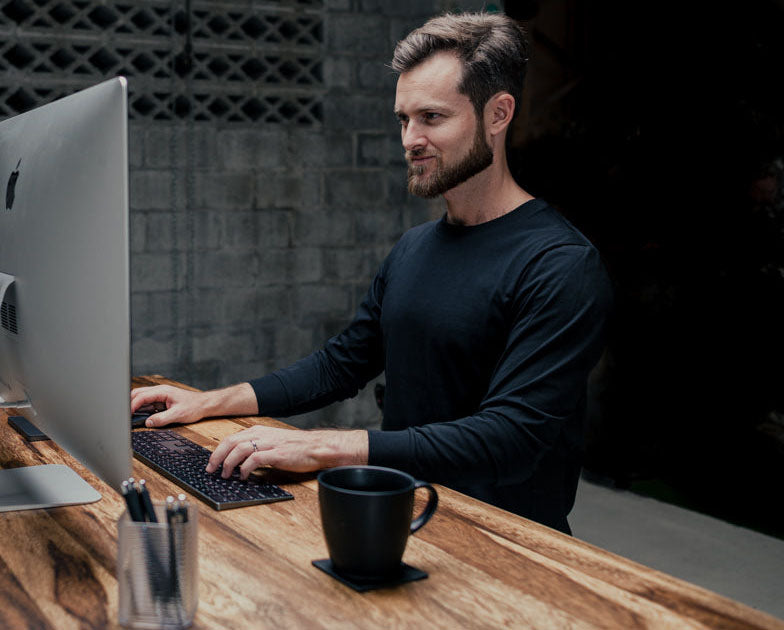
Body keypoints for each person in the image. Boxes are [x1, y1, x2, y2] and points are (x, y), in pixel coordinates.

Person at [131, 12, 612, 533]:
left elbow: (510, 437)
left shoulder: (560, 264)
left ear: (498, 114)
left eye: (431, 117)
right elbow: (342, 364)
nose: (410, 139)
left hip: (511, 546)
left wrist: (327, 445)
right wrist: (210, 401)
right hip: (408, 517)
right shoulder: (415, 247)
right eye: (403, 119)